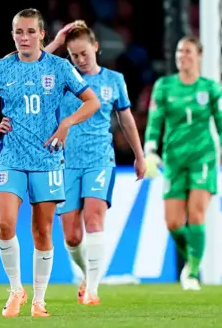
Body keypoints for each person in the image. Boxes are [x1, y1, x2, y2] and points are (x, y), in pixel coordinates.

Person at [0, 8, 100, 317]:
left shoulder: (60, 68)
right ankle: (16, 290)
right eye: (18, 32)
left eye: (29, 32)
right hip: (11, 157)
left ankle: (39, 301)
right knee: (5, 223)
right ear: (12, 35)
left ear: (42, 35)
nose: (23, 37)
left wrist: (66, 124)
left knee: (42, 230)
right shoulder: (0, 67)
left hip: (48, 158)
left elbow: (92, 101)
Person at [44, 20, 147, 305]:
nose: (79, 60)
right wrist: (58, 39)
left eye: (83, 54)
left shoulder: (113, 80)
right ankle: (84, 273)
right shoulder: (63, 79)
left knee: (94, 219)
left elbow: (125, 119)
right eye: (74, 55)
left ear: (96, 47)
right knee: (72, 237)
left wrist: (139, 155)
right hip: (64, 163)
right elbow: (34, 66)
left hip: (100, 159)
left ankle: (92, 288)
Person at [143, 36, 222, 291]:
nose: (182, 56)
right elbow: (155, 123)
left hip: (203, 157)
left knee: (197, 213)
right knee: (174, 223)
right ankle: (194, 256)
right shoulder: (164, 86)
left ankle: (193, 273)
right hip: (174, 158)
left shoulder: (210, 88)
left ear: (199, 55)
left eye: (187, 51)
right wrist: (150, 151)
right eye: (179, 51)